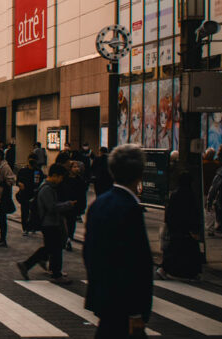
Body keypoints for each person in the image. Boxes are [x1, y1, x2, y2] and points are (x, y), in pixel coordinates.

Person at [84, 144, 153, 338]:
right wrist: (136, 311)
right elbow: (134, 263)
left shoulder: (98, 204)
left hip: (103, 297)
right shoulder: (130, 209)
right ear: (140, 174)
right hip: (123, 305)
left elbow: (89, 253)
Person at [18, 163, 77, 283]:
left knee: (51, 248)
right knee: (54, 249)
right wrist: (68, 205)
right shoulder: (47, 189)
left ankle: (28, 265)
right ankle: (54, 273)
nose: (61, 180)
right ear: (54, 176)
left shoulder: (48, 187)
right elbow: (52, 207)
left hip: (50, 222)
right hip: (49, 223)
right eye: (60, 177)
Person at [157, 171, 203, 279]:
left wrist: (169, 224)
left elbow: (170, 212)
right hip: (187, 227)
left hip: (176, 227)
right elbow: (194, 213)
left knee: (174, 249)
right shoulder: (191, 194)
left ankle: (165, 269)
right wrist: (195, 227)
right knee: (188, 250)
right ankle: (191, 272)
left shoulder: (176, 194)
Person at [16, 155, 44, 235]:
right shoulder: (23, 170)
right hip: (24, 193)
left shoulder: (38, 171)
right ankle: (25, 228)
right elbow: (17, 181)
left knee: (34, 212)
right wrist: (19, 184)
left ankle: (31, 226)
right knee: (24, 212)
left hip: (34, 194)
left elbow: (41, 181)